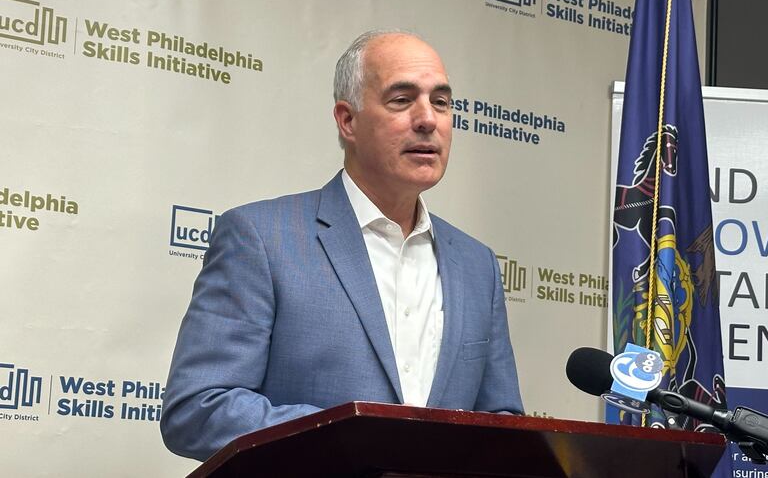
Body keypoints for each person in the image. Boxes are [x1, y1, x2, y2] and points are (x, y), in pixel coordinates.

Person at [160, 30, 524, 461]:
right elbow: (198, 408)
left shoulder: (475, 263)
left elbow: (501, 421)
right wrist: (352, 442)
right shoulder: (260, 237)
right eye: (402, 99)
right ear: (347, 120)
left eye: (441, 102)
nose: (428, 119)